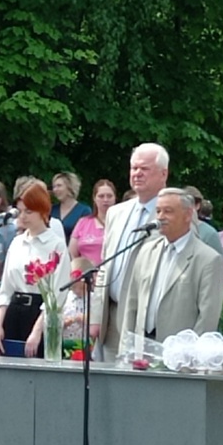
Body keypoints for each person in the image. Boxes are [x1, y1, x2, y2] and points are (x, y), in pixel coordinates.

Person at [118, 188, 223, 352]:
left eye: (168, 211)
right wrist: (126, 348)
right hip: (140, 352)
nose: (160, 217)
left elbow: (207, 319)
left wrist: (190, 358)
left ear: (188, 215)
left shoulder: (208, 259)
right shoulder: (146, 251)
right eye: (158, 211)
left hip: (179, 357)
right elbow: (132, 304)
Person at [91, 143, 169, 356]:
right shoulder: (116, 213)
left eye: (144, 169)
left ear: (164, 174)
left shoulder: (173, 215)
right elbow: (105, 265)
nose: (137, 174)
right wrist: (97, 317)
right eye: (134, 168)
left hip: (147, 320)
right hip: (112, 315)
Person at [0, 179, 70, 357]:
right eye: (20, 211)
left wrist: (37, 331)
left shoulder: (56, 245)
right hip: (14, 310)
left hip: (40, 312)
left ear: (42, 211)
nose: (23, 217)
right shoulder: (17, 242)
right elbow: (6, 289)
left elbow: (56, 295)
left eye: (29, 211)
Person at [68, 179, 116, 268]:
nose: (105, 200)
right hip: (86, 276)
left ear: (115, 198)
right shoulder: (83, 222)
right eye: (101, 196)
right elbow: (72, 253)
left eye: (109, 196)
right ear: (94, 198)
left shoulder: (121, 222)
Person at [182, 185, 223, 256]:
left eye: (188, 204)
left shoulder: (209, 233)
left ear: (197, 205)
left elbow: (219, 262)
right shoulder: (173, 229)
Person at [52, 171, 92, 243]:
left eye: (59, 186)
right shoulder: (51, 210)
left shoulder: (84, 211)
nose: (55, 189)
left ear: (70, 187)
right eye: (54, 187)